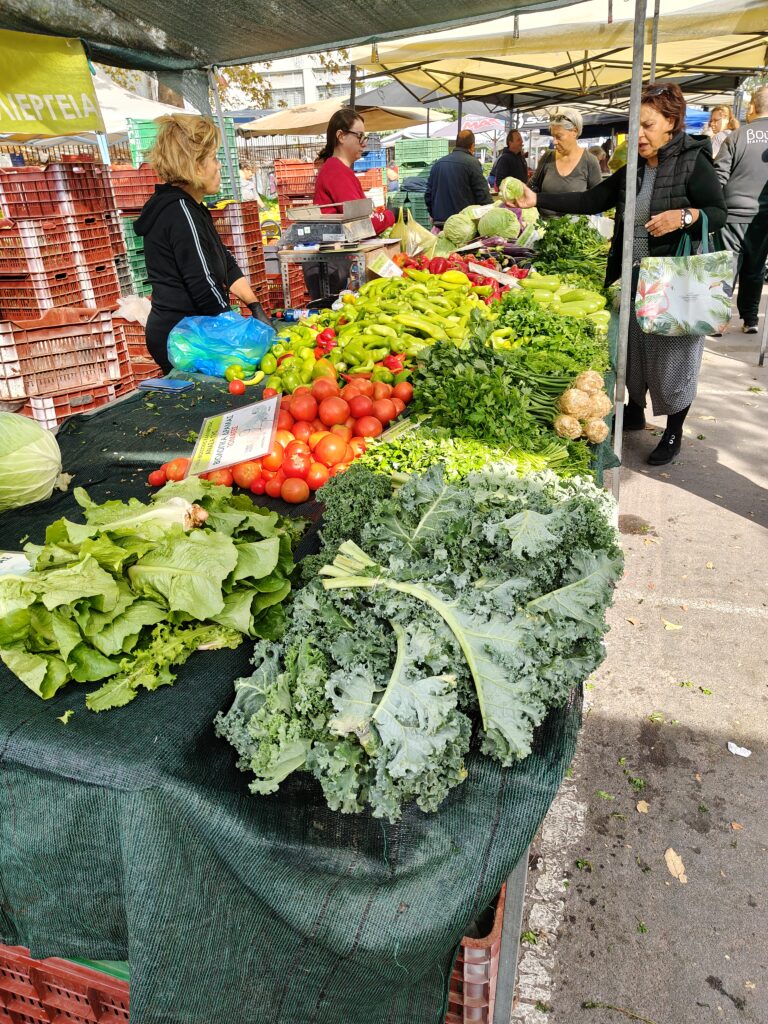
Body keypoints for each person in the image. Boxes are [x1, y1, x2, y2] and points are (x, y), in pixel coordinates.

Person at [511, 84, 727, 467]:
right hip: (633, 275)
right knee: (635, 352)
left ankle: (674, 430)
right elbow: (592, 199)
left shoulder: (694, 162)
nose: (638, 135)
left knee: (672, 356)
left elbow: (718, 210)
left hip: (674, 279)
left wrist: (684, 216)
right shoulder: (637, 169)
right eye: (635, 125)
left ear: (671, 123)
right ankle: (638, 412)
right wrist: (537, 199)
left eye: (647, 125)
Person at [135, 114, 271, 374]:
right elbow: (203, 283)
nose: (219, 166)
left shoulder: (194, 208)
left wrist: (255, 307)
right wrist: (232, 329)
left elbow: (224, 261)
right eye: (214, 159)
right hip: (182, 337)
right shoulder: (179, 211)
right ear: (195, 166)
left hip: (193, 330)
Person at [308, 108, 394, 300]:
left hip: (334, 260)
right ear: (341, 136)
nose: (363, 143)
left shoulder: (339, 170)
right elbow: (364, 224)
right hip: (331, 264)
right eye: (360, 136)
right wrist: (391, 216)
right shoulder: (336, 171)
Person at [714, 87, 768, 334]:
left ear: (753, 107)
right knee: (755, 268)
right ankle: (750, 319)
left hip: (732, 214)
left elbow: (719, 176)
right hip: (763, 217)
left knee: (726, 267)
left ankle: (716, 321)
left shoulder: (736, 136)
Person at [529, 108, 603, 219]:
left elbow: (598, 199)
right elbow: (533, 185)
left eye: (558, 136)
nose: (554, 141)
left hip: (574, 230)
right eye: (552, 136)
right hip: (543, 228)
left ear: (575, 132)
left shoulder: (590, 161)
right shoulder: (547, 158)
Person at [424, 129, 492, 227]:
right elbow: (482, 194)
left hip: (440, 222)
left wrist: (433, 214)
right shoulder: (472, 163)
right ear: (472, 146)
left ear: (456, 144)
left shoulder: (438, 164)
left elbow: (428, 195)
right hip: (463, 224)